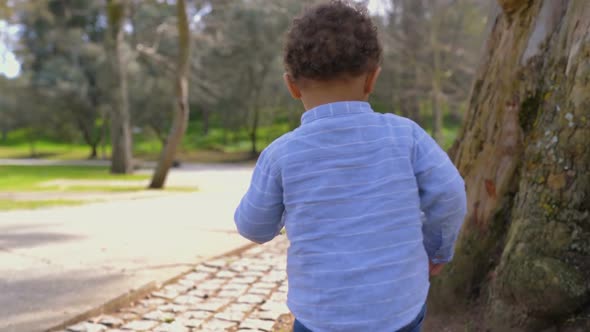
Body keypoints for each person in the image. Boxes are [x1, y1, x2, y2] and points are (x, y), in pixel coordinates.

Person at [234, 1, 467, 331]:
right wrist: (438, 250)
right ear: (372, 79)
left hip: (320, 316)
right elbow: (450, 192)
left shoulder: (281, 155)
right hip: (397, 309)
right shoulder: (406, 136)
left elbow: (253, 227)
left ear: (292, 85)